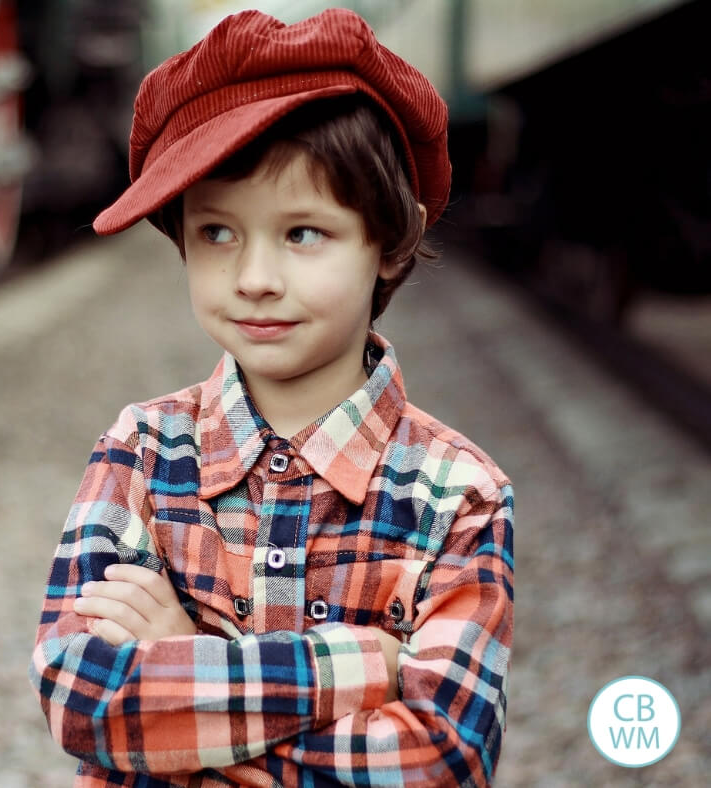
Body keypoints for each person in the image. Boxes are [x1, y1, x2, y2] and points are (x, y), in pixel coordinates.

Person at [29, 8, 513, 787]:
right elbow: (82, 700)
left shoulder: (458, 495)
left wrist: (189, 670)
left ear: (390, 243)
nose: (254, 277)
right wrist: (363, 670)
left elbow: (442, 761)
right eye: (218, 232)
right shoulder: (142, 451)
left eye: (302, 233)